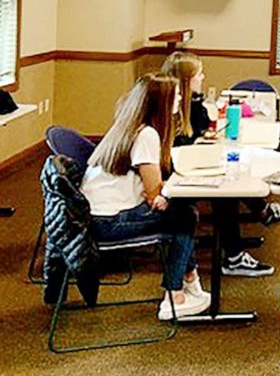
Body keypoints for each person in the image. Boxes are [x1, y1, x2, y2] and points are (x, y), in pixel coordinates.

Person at [81, 73, 210, 320]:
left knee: (180, 213)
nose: (181, 97)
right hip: (108, 222)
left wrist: (162, 193)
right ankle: (175, 294)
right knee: (186, 216)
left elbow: (154, 188)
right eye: (176, 95)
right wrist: (164, 192)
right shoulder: (147, 134)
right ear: (161, 102)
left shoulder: (127, 125)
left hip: (96, 215)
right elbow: (154, 191)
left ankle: (190, 279)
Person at [161, 51, 280, 278]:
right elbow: (180, 146)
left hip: (184, 167)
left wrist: (196, 103)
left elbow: (201, 125)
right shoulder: (171, 111)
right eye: (199, 74)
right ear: (186, 81)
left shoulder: (188, 105)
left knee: (230, 176)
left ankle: (259, 219)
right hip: (173, 180)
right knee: (226, 189)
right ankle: (236, 254)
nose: (203, 77)